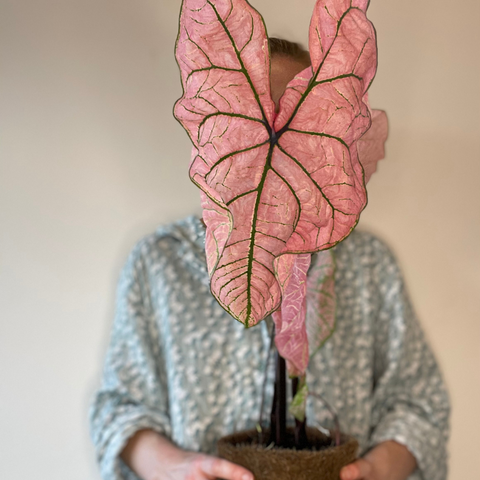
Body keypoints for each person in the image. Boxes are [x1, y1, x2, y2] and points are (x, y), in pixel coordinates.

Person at [90, 39, 450, 480]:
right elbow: (119, 410)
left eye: (299, 128)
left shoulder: (368, 264)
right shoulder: (162, 261)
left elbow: (420, 402)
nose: (277, 152)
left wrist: (374, 471)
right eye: (258, 129)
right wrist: (176, 468)